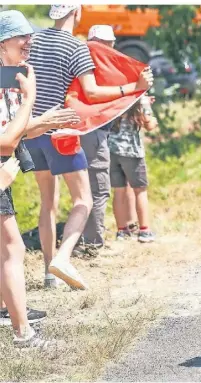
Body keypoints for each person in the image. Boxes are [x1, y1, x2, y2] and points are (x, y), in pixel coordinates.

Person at [24, 5, 153, 289]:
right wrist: (132, 86)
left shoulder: (33, 41)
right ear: (77, 12)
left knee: (48, 203)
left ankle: (49, 274)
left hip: (31, 131)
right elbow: (92, 92)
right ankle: (64, 257)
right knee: (84, 199)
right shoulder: (76, 48)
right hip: (61, 133)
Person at [0, 9, 79, 348]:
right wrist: (31, 98)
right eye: (22, 37)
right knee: (12, 249)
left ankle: (13, 316)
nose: (29, 41)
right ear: (2, 42)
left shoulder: (8, 78)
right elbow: (5, 140)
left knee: (7, 249)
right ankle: (23, 333)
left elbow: (10, 132)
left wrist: (44, 122)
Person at [73, 24, 117, 257]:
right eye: (108, 43)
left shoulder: (79, 61)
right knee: (98, 189)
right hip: (92, 131)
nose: (110, 47)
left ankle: (82, 239)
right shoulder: (106, 67)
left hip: (75, 130)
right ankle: (93, 244)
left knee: (81, 190)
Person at [108, 96, 157, 243]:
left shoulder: (114, 97)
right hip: (132, 152)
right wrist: (147, 106)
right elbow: (149, 125)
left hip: (111, 150)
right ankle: (144, 230)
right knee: (140, 190)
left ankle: (121, 231)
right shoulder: (140, 100)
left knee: (119, 191)